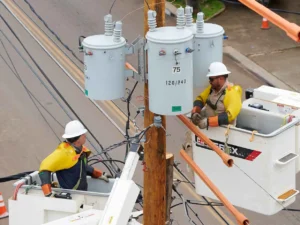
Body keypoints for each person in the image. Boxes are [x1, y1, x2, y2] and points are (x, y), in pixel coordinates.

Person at [39, 120, 110, 197]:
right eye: (83, 134)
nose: (85, 135)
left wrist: (98, 174)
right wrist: (48, 193)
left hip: (82, 194)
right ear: (78, 140)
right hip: (70, 197)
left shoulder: (78, 150)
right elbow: (44, 168)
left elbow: (81, 166)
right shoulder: (63, 153)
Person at [191, 62, 242, 129]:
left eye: (211, 79)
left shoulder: (231, 93)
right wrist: (195, 111)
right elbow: (200, 99)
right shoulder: (212, 89)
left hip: (223, 133)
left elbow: (229, 116)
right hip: (209, 130)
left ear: (220, 78)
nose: (209, 81)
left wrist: (208, 122)